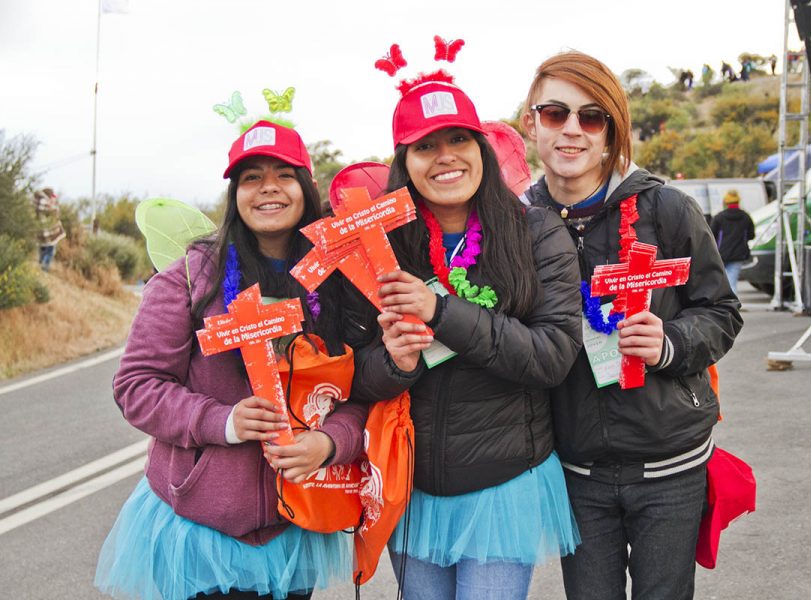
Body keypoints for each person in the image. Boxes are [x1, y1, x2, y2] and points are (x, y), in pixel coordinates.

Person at [95, 120, 368, 600]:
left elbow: (360, 388)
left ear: (306, 186)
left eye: (283, 174)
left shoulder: (332, 277)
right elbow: (137, 385)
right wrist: (223, 421)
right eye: (251, 177)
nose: (268, 188)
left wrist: (330, 443)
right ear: (234, 194)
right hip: (201, 530)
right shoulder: (190, 275)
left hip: (294, 525)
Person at [345, 67, 583, 600]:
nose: (446, 155)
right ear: (404, 164)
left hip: (505, 478)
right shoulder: (379, 250)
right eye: (425, 146)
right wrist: (393, 362)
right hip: (413, 484)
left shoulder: (537, 232)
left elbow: (553, 356)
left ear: (482, 146)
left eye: (458, 139)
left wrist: (440, 310)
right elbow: (352, 373)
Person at [521, 51, 743, 600]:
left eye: (591, 117)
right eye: (555, 113)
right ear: (531, 122)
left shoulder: (666, 209)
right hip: (575, 465)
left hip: (670, 460)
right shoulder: (517, 223)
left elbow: (722, 310)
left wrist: (669, 342)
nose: (572, 130)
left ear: (610, 132)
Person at [710, 190, 755, 295]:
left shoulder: (719, 217)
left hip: (720, 254)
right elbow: (751, 235)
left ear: (726, 202)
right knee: (732, 281)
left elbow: (711, 235)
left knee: (719, 282)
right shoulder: (746, 217)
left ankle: (721, 305)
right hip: (738, 255)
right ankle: (733, 306)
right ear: (738, 201)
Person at [33, 187, 65, 271]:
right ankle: (44, 267)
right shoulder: (47, 204)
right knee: (50, 251)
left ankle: (40, 264)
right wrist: (54, 203)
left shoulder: (36, 202)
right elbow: (55, 212)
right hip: (49, 232)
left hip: (39, 231)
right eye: (52, 196)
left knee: (42, 248)